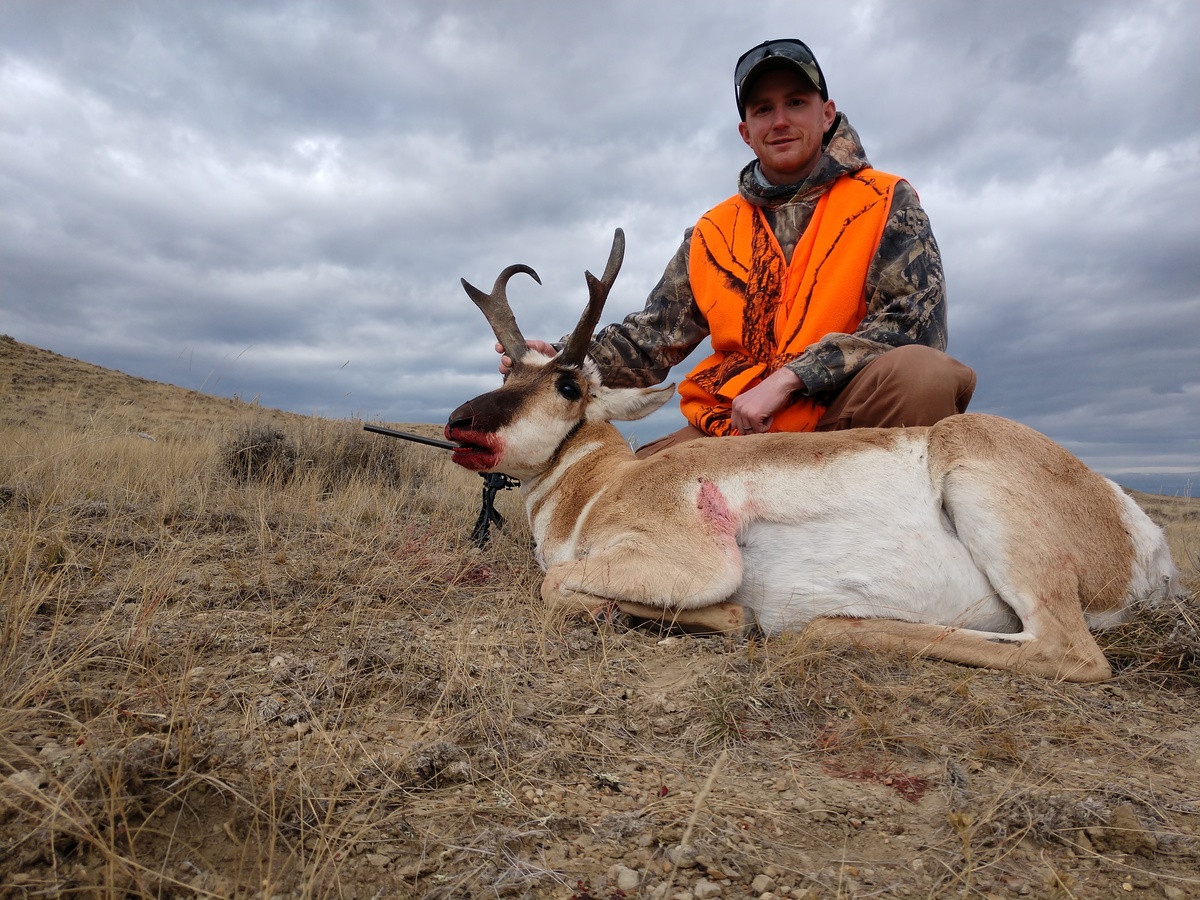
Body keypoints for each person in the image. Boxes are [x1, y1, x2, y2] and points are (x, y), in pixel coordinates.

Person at [501, 38, 975, 457]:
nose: (781, 121)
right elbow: (651, 339)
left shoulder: (885, 200)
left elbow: (911, 325)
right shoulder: (714, 231)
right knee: (624, 504)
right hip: (733, 429)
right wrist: (558, 357)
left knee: (922, 374)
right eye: (763, 109)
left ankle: (893, 545)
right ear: (746, 132)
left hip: (843, 423)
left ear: (826, 113)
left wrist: (791, 379)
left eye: (796, 102)